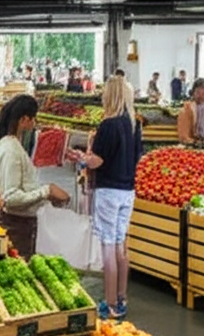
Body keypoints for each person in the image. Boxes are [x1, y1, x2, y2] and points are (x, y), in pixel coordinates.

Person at [66, 76, 142, 320]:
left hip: (108, 190)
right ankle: (122, 298)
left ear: (110, 96)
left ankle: (109, 304)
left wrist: (80, 157)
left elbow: (97, 161)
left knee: (107, 248)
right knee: (121, 245)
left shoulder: (108, 125)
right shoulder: (133, 124)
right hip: (128, 191)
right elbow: (137, 157)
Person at [0, 94, 71, 260]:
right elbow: (11, 197)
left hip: (22, 225)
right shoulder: (11, 150)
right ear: (24, 120)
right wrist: (46, 191)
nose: (35, 123)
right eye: (33, 118)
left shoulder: (9, 145)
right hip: (18, 227)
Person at [177, 78, 204, 148]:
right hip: (190, 147)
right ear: (196, 92)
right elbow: (184, 138)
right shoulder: (187, 110)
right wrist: (197, 143)